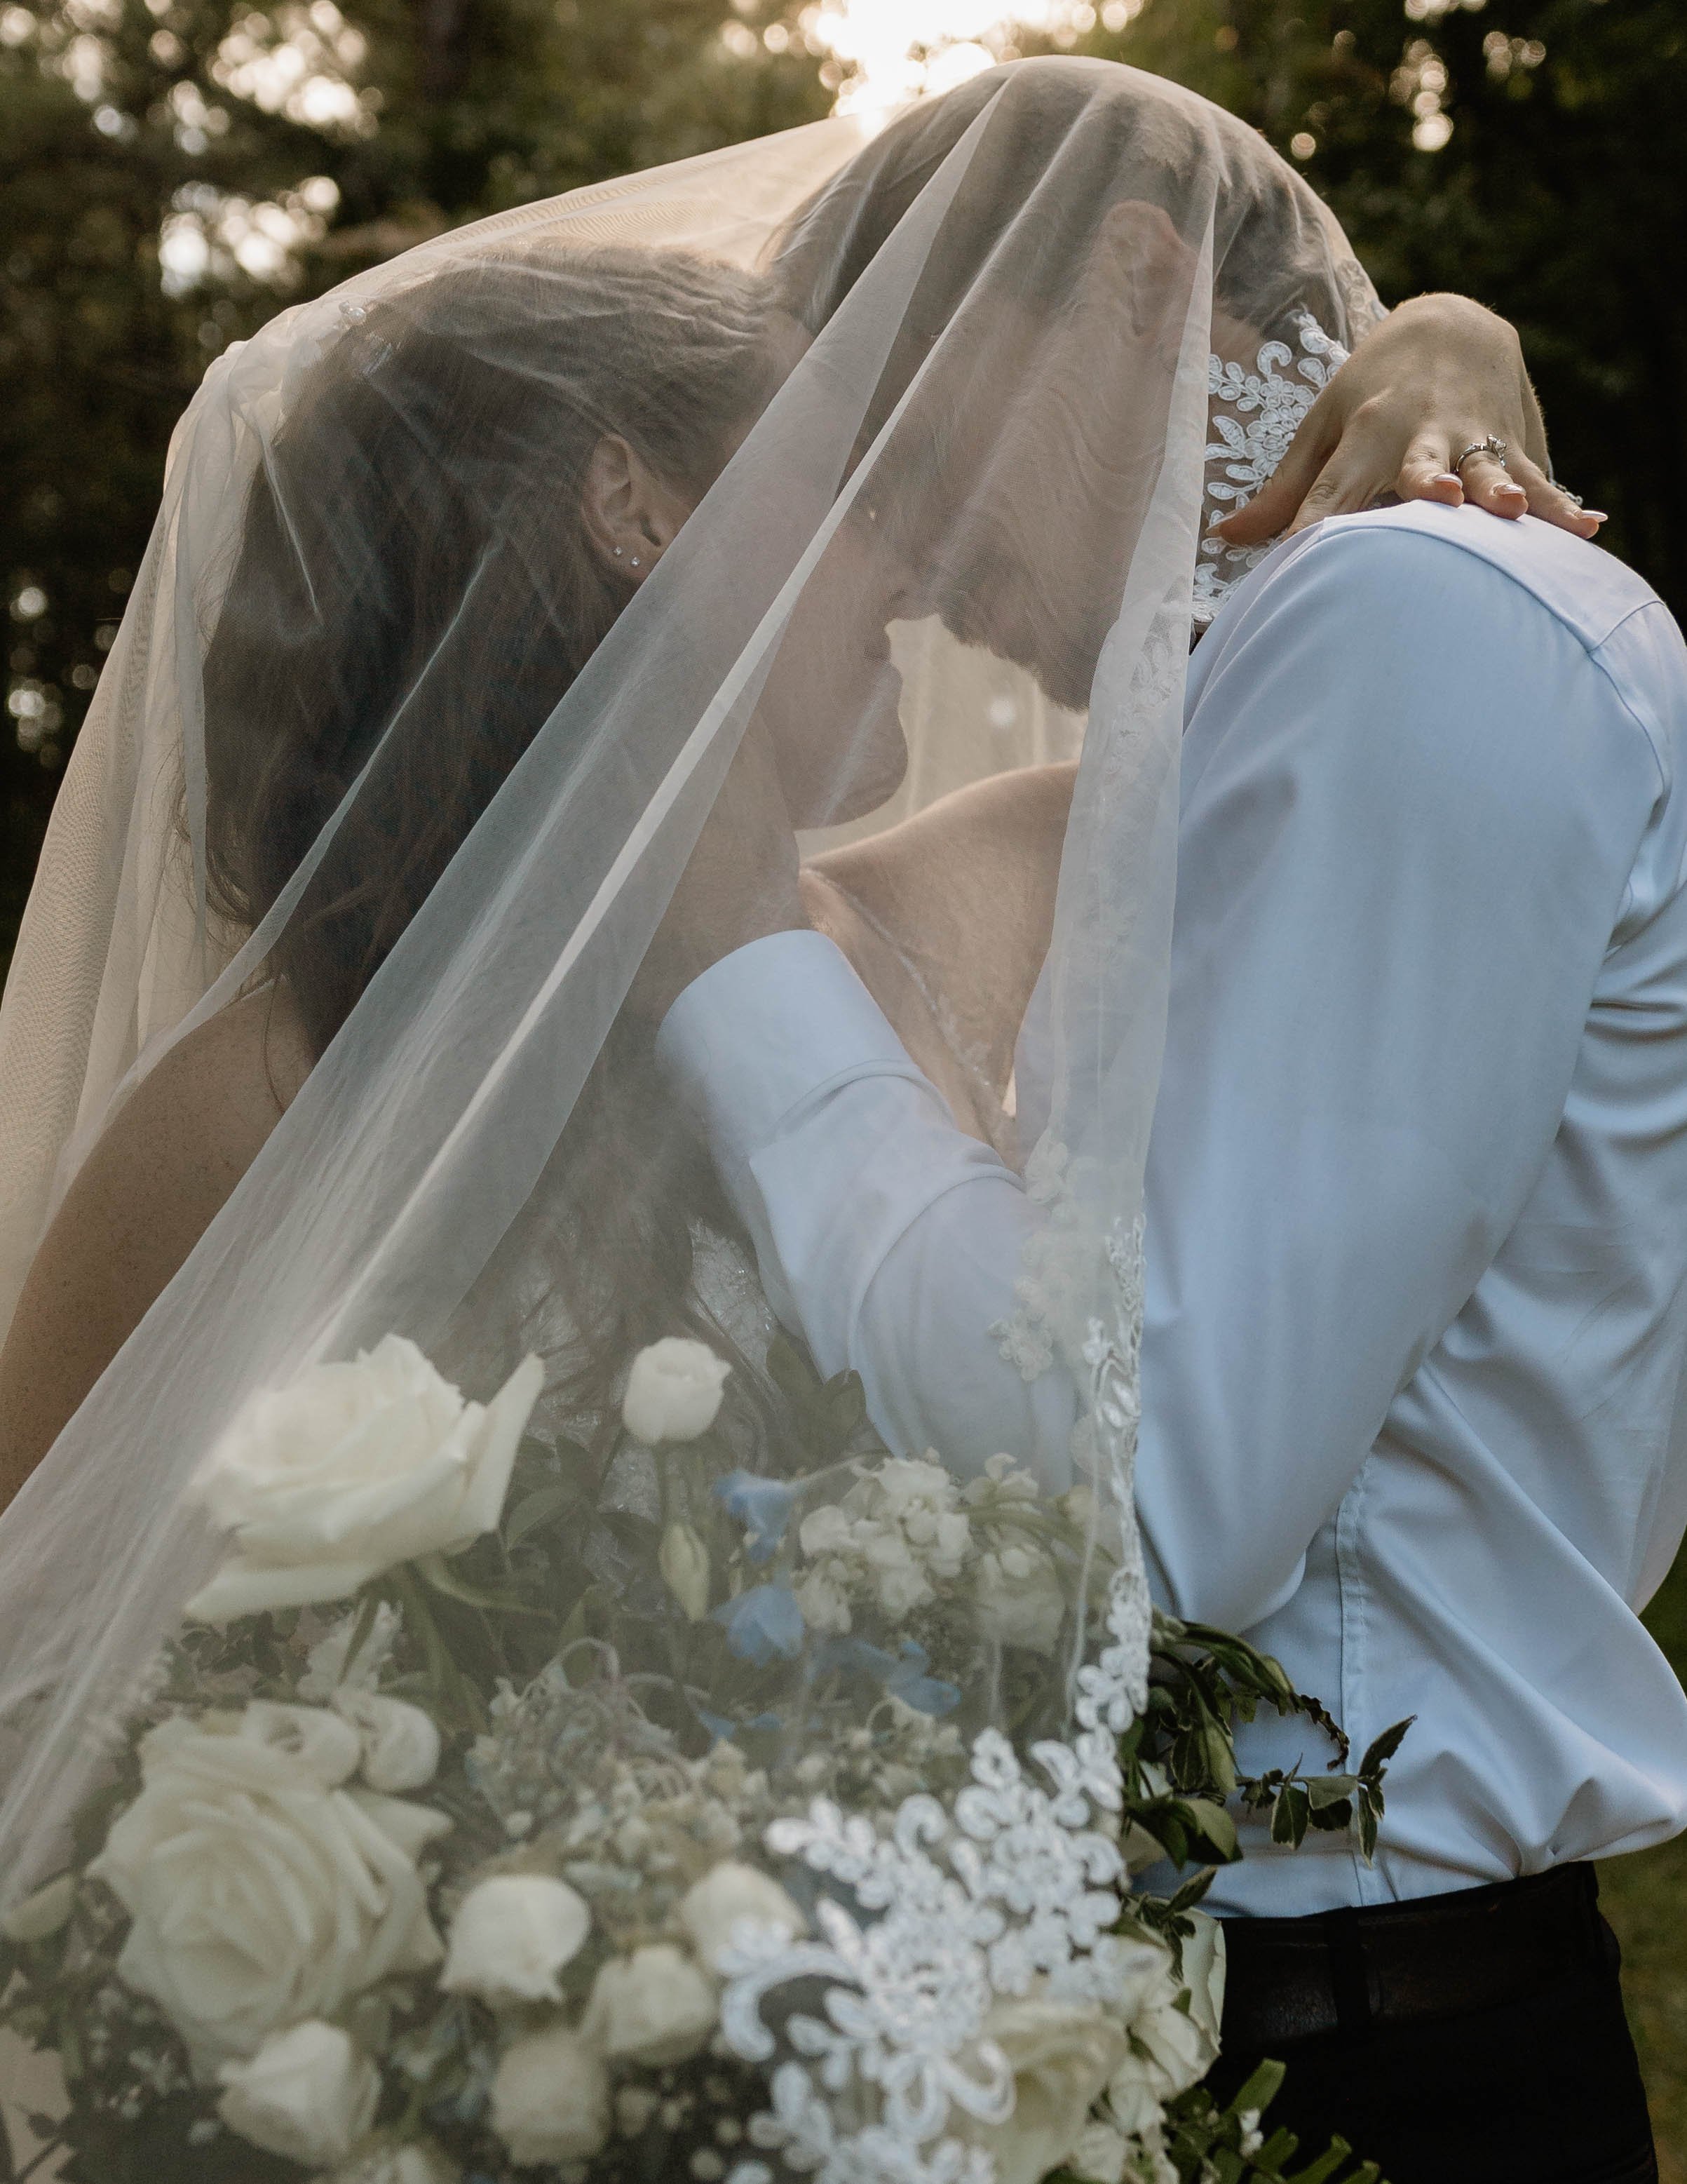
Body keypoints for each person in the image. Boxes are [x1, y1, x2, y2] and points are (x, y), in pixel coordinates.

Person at [0, 53, 1648, 2184]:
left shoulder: (975, 894)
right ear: (641, 507)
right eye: (847, 465)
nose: (916, 556)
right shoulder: (270, 1094)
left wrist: (1432, 352)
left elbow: (1348, 742)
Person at [646, 75, 1687, 2184]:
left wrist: (729, 962)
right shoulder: (1254, 709)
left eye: (929, 465)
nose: (919, 583)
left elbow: (1161, 1493)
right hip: (1222, 2026)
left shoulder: (1415, 621)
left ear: (1137, 283)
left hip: (1383, 2058)